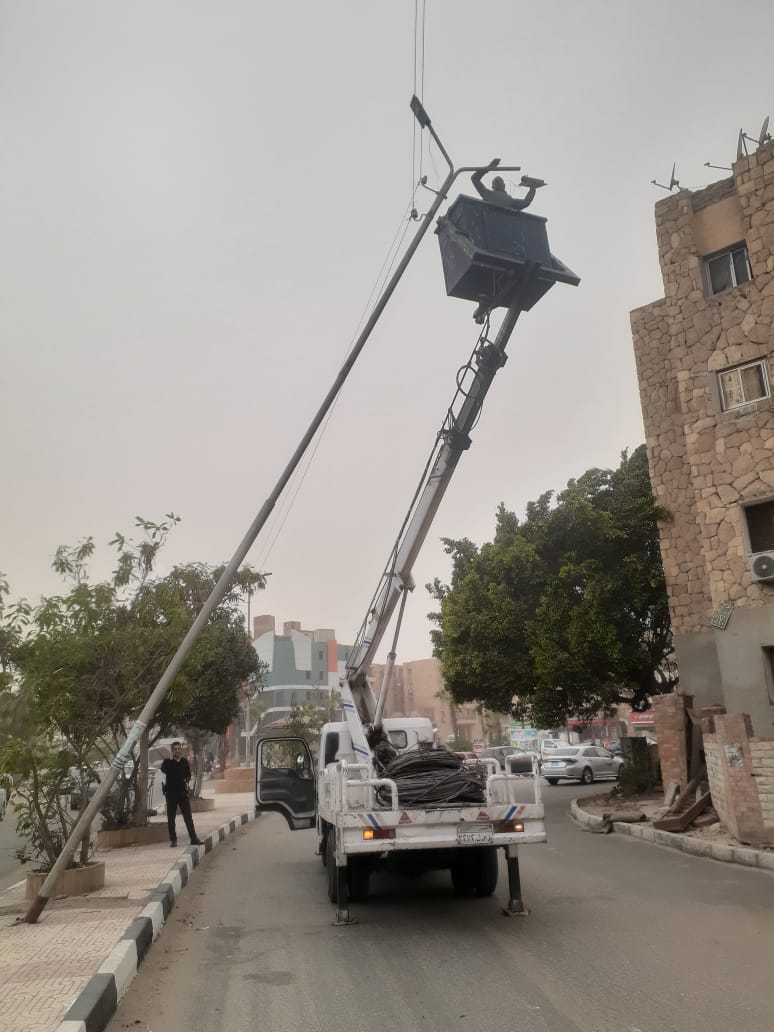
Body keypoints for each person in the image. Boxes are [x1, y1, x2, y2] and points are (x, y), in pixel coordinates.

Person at [161, 742, 204, 847]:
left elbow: (188, 775)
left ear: (181, 750)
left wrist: (186, 779)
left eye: (179, 749)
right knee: (171, 818)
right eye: (175, 749)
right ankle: (173, 840)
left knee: (188, 817)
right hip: (171, 794)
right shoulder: (167, 762)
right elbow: (163, 769)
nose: (177, 751)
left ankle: (193, 839)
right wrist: (171, 759)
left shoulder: (184, 761)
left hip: (182, 793)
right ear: (172, 751)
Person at [471, 159, 545, 211]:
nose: (499, 182)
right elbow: (474, 178)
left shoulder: (510, 201)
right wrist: (488, 168)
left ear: (504, 185)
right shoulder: (488, 194)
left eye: (500, 181)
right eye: (496, 181)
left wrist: (532, 189)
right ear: (493, 186)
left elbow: (525, 202)